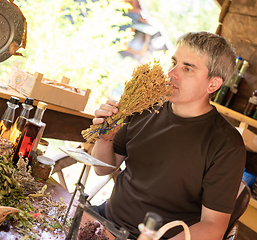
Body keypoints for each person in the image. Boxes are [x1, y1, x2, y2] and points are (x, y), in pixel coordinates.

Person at [90, 31, 246, 240]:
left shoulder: (226, 145)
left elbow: (213, 227)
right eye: (174, 62)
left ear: (213, 84)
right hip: (104, 219)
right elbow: (101, 168)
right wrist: (104, 138)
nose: (172, 73)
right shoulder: (145, 107)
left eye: (187, 68)